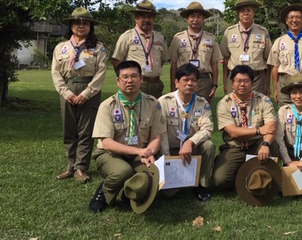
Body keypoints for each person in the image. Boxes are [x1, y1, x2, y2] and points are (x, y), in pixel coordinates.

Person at [88, 60, 166, 213]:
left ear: (141, 79)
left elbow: (156, 136)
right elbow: (107, 143)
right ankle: (102, 194)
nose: (130, 80)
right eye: (125, 77)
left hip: (140, 152)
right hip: (110, 153)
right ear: (118, 81)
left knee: (153, 175)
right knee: (123, 172)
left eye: (134, 76)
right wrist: (139, 152)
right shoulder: (107, 106)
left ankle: (128, 194)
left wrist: (149, 153)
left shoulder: (152, 103)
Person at [52, 7, 107, 183]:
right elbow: (55, 73)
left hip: (88, 89)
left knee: (86, 130)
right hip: (67, 89)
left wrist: (87, 93)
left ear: (91, 26)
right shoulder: (61, 48)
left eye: (85, 23)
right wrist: (65, 92)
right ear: (71, 25)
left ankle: (81, 168)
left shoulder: (97, 48)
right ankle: (70, 166)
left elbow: (101, 72)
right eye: (77, 23)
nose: (80, 26)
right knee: (69, 129)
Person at [212, 65, 279, 189]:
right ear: (232, 83)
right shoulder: (224, 103)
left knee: (272, 144)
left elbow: (271, 127)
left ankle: (263, 178)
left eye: (246, 81)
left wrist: (265, 145)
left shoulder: (263, 100)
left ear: (252, 83)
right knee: (219, 181)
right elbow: (233, 132)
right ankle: (244, 172)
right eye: (238, 81)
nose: (242, 84)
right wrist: (258, 130)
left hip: (256, 144)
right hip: (235, 147)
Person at [158, 63, 215, 202]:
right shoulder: (164, 102)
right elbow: (160, 133)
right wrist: (167, 160)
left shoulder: (203, 103)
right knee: (169, 194)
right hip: (170, 150)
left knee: (208, 145)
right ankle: (174, 178)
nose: (190, 83)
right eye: (186, 79)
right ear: (176, 82)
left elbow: (208, 128)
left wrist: (190, 142)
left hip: (191, 149)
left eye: (194, 80)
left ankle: (201, 185)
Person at [267, 5, 302, 107]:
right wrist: (275, 89)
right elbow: (275, 67)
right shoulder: (279, 42)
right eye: (291, 17)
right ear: (286, 20)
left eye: (298, 17)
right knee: (285, 112)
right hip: (285, 82)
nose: (295, 20)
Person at [112, 0, 169, 98]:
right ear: (136, 18)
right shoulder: (127, 36)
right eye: (143, 16)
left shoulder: (159, 37)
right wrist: (126, 79)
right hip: (135, 84)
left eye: (150, 17)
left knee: (154, 112)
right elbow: (117, 60)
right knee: (134, 112)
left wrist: (152, 73)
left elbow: (162, 60)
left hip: (156, 84)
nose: (147, 20)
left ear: (153, 19)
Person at [169, 1, 222, 102]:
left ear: (203, 19)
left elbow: (214, 63)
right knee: (182, 109)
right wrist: (173, 85)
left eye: (199, 16)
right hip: (184, 79)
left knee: (202, 110)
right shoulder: (178, 38)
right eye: (192, 16)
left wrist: (214, 84)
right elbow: (174, 63)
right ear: (187, 19)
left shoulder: (210, 38)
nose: (195, 20)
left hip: (203, 80)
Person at [220, 0, 272, 95]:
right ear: (238, 14)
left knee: (256, 109)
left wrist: (268, 85)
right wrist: (226, 83)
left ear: (253, 13)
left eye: (249, 10)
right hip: (235, 78)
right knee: (234, 108)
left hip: (257, 79)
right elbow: (226, 59)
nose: (245, 13)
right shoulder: (229, 32)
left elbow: (267, 60)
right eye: (242, 11)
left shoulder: (263, 32)